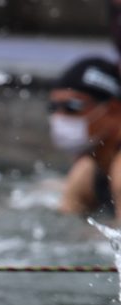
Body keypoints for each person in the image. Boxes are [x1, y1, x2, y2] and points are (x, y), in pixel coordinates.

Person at [49, 58, 121, 220]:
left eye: (72, 107)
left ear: (113, 109)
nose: (59, 117)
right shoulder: (88, 170)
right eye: (53, 108)